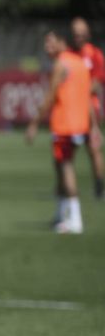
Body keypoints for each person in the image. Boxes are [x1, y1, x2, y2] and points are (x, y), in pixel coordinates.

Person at [26, 30, 92, 234]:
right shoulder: (78, 62)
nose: (47, 48)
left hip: (66, 125)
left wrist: (34, 123)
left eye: (50, 43)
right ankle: (61, 214)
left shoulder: (61, 64)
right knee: (60, 166)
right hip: (80, 124)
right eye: (46, 44)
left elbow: (50, 97)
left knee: (66, 168)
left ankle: (75, 219)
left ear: (62, 42)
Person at [70, 17, 105, 199]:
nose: (78, 37)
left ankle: (99, 186)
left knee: (93, 148)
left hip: (90, 107)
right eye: (75, 34)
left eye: (81, 34)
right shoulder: (69, 54)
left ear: (88, 35)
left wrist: (80, 88)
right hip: (72, 108)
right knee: (67, 149)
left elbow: (98, 82)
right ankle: (67, 188)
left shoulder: (95, 54)